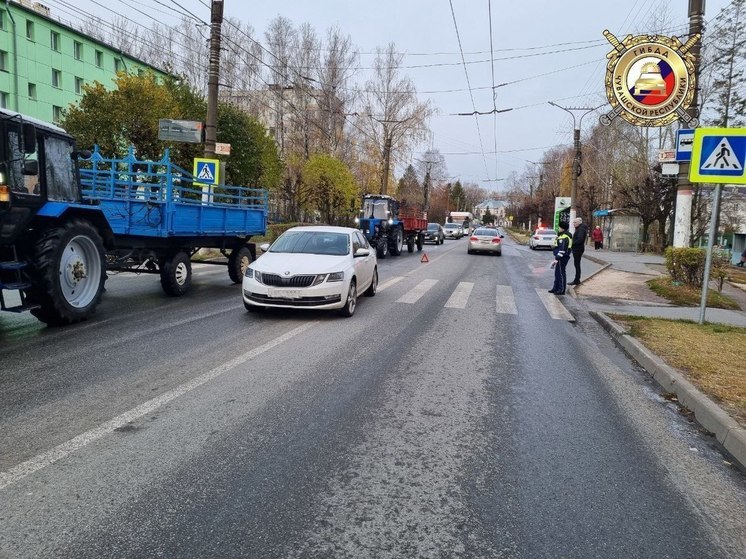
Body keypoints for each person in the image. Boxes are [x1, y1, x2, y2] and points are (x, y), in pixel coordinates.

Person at [549, 221, 572, 295]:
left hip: (562, 257)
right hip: (560, 257)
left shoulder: (564, 237)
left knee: (561, 273)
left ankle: (561, 289)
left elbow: (562, 250)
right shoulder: (561, 235)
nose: (558, 228)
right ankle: (556, 287)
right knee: (557, 273)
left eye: (559, 227)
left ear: (562, 228)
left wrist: (557, 258)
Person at [569, 217, 588, 285]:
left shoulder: (581, 229)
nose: (573, 223)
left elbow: (580, 239)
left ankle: (577, 280)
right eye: (573, 222)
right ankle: (577, 279)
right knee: (576, 264)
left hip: (578, 249)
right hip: (578, 248)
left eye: (575, 222)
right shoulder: (580, 229)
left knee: (577, 265)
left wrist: (572, 244)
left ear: (579, 223)